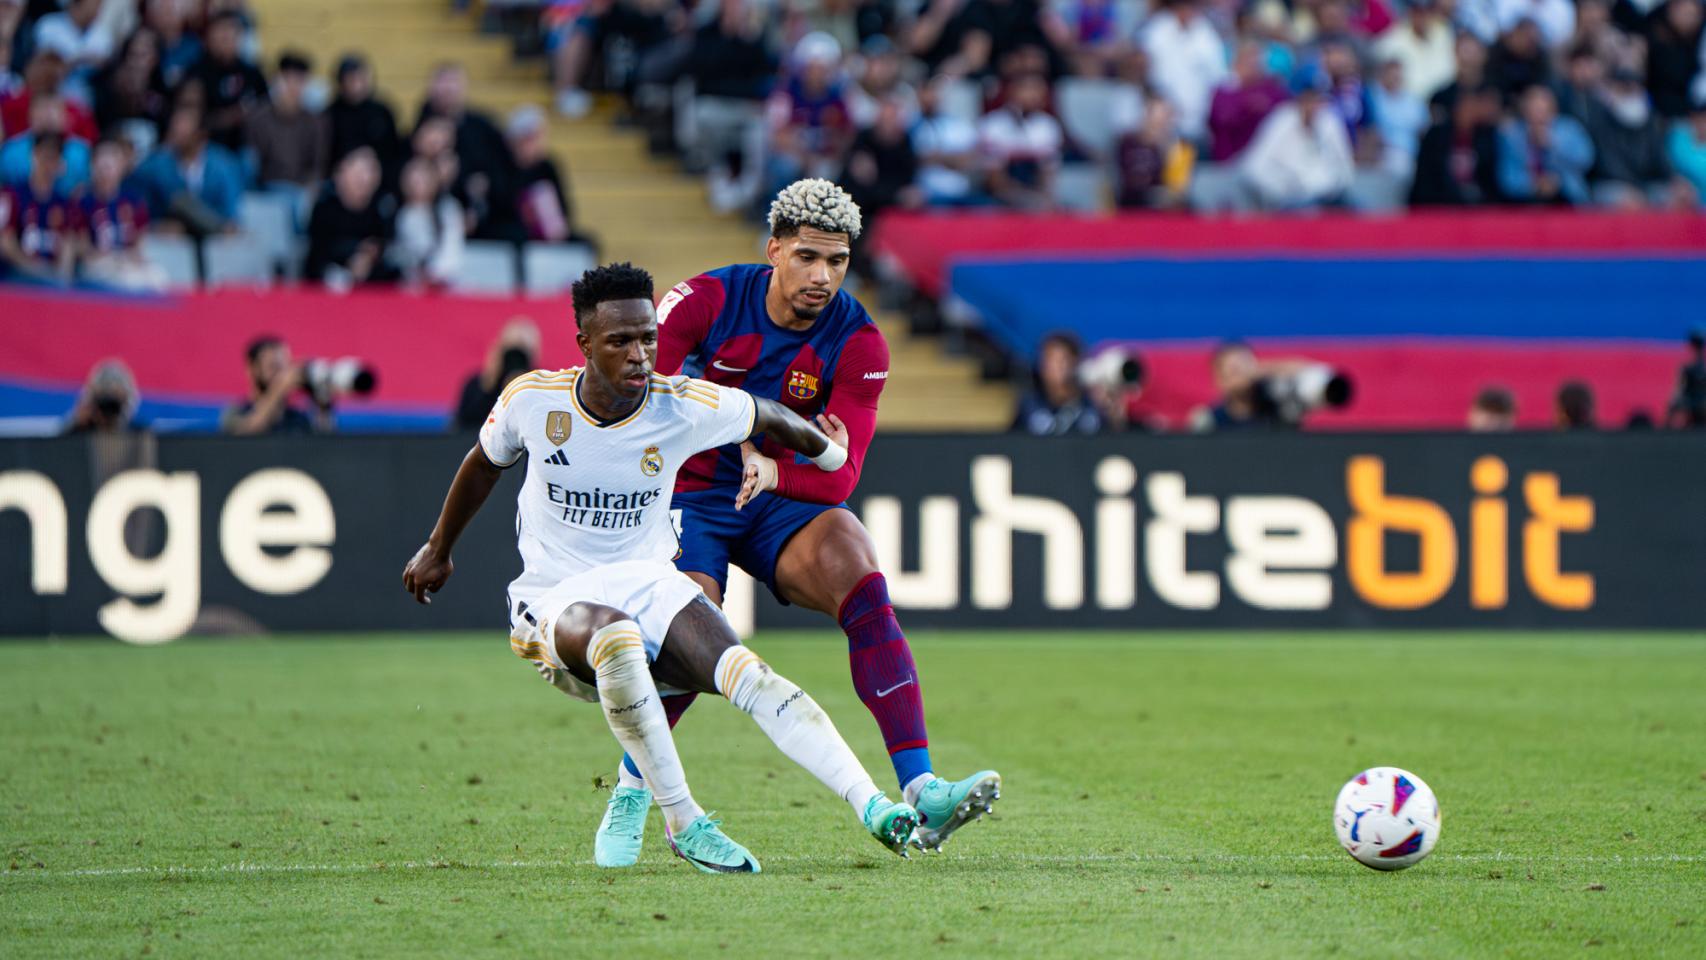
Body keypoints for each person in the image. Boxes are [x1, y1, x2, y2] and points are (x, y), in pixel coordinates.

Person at [400, 262, 922, 873]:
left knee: (751, 676)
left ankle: (876, 807)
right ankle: (685, 820)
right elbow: (484, 464)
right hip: (554, 599)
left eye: (648, 337)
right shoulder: (532, 400)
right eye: (620, 341)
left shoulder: (683, 405)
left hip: (651, 587)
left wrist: (834, 453)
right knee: (616, 637)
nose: (640, 354)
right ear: (585, 345)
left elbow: (768, 414)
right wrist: (439, 547)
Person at [600, 179, 1001, 865]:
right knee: (691, 623)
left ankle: (922, 785)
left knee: (857, 564)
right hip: (688, 492)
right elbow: (636, 401)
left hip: (776, 496)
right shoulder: (706, 301)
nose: (823, 277)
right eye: (809, 258)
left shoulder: (859, 340)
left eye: (837, 262)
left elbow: (842, 475)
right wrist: (735, 429)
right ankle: (634, 790)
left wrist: (777, 470)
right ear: (774, 249)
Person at [1237, 66, 1355, 210]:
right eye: (1310, 98)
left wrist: (1332, 185)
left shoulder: (1329, 122)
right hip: (1292, 200)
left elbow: (1345, 167)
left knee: (1360, 212)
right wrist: (1286, 188)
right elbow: (1254, 168)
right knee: (1308, 213)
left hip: (1328, 198)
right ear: (1300, 98)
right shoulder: (1281, 121)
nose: (1315, 105)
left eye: (1319, 99)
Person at [130, 100, 244, 233]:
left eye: (184, 128)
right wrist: (158, 224)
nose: (177, 131)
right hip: (174, 241)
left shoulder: (223, 164)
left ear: (201, 134)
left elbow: (230, 213)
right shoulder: (156, 165)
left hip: (216, 240)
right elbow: (140, 203)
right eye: (175, 126)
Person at [77, 137, 164, 291]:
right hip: (97, 264)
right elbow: (82, 248)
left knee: (158, 277)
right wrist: (109, 259)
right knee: (128, 281)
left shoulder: (134, 201)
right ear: (93, 165)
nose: (107, 169)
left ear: (122, 165)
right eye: (102, 163)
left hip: (126, 260)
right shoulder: (83, 201)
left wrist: (130, 259)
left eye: (112, 162)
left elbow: (139, 244)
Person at [304, 146, 397, 287]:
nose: (365, 178)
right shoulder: (324, 208)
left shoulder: (383, 208)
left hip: (374, 282)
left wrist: (369, 257)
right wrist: (353, 254)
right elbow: (318, 252)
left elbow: (388, 247)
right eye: (358, 172)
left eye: (371, 171)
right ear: (339, 174)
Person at [244, 51, 328, 193]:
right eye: (288, 79)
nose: (293, 87)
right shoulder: (258, 116)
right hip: (265, 189)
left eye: (299, 81)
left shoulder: (314, 121)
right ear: (276, 80)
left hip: (300, 190)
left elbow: (317, 166)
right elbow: (250, 163)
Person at [977, 71, 1061, 209]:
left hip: (1035, 194)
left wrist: (1043, 198)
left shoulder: (1048, 125)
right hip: (997, 195)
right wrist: (1022, 198)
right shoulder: (992, 124)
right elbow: (993, 179)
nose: (1033, 95)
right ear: (1011, 92)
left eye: (1038, 89)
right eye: (1027, 88)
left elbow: (1048, 172)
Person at [1496, 84, 1593, 205]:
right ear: (1524, 111)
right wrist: (1534, 184)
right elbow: (1508, 177)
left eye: (1543, 111)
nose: (1539, 117)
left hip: (1567, 194)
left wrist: (1553, 145)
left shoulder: (1569, 129)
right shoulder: (1512, 134)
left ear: (1553, 110)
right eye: (1533, 111)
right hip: (1525, 199)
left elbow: (1585, 161)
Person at [0, 131, 76, 283]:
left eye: (53, 158)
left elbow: (68, 242)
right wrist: (31, 267)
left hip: (49, 275)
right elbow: (4, 242)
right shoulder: (12, 195)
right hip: (15, 275)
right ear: (33, 156)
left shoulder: (63, 202)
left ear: (61, 164)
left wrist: (63, 273)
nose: (48, 164)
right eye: (44, 156)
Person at [1409, 84, 1503, 205]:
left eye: (1472, 106)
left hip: (1474, 205)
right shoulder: (1436, 136)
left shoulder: (1484, 137)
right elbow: (1428, 178)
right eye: (1464, 106)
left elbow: (1488, 178)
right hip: (1439, 204)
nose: (1469, 111)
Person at [189, 10, 268, 152]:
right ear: (209, 35)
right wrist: (229, 117)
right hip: (205, 147)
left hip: (247, 147)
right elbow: (189, 118)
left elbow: (266, 108)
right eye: (221, 31)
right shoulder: (196, 72)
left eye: (231, 32)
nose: (226, 37)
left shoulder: (252, 73)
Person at [221, 335, 331, 435]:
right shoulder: (236, 412)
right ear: (252, 369)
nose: (282, 374)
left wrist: (323, 401)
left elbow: (323, 448)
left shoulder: (298, 419)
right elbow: (247, 432)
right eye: (273, 367)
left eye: (285, 366)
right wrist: (279, 388)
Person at [452, 318, 539, 431]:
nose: (514, 359)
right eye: (510, 351)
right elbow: (463, 427)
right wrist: (488, 385)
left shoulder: (542, 384)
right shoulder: (477, 384)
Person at [1010, 331, 1105, 434]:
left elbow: (1113, 439)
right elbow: (1011, 442)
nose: (1058, 368)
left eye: (1063, 360)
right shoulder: (1030, 405)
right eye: (1051, 361)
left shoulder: (1093, 404)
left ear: (1076, 363)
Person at [390, 154, 463, 288]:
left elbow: (452, 249)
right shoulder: (400, 213)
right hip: (409, 285)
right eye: (414, 180)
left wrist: (433, 274)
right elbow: (399, 253)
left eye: (424, 178)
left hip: (444, 283)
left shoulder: (448, 209)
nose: (419, 185)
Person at [325, 54, 400, 172]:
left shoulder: (382, 111)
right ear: (341, 81)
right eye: (351, 78)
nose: (357, 84)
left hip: (380, 178)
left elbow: (394, 150)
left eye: (361, 77)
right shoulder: (330, 113)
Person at [65, 359, 142, 433]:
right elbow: (57, 439)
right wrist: (75, 422)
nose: (108, 411)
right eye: (103, 403)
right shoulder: (81, 429)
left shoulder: (138, 435)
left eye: (113, 406)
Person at [1667, 328, 1706, 428]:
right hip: (1690, 401)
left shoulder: (1692, 368)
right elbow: (1679, 389)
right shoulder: (1687, 368)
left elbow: (1679, 388)